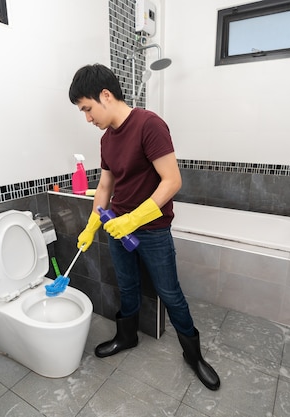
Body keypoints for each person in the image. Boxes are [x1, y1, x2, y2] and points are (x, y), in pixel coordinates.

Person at [68, 63, 220, 391]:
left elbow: (172, 180)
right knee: (127, 285)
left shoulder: (150, 125)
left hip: (151, 230)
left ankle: (193, 355)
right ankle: (127, 337)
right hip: (116, 227)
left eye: (88, 109)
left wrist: (133, 219)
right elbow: (105, 187)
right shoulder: (107, 140)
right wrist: (93, 224)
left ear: (105, 95)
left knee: (170, 293)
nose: (88, 118)